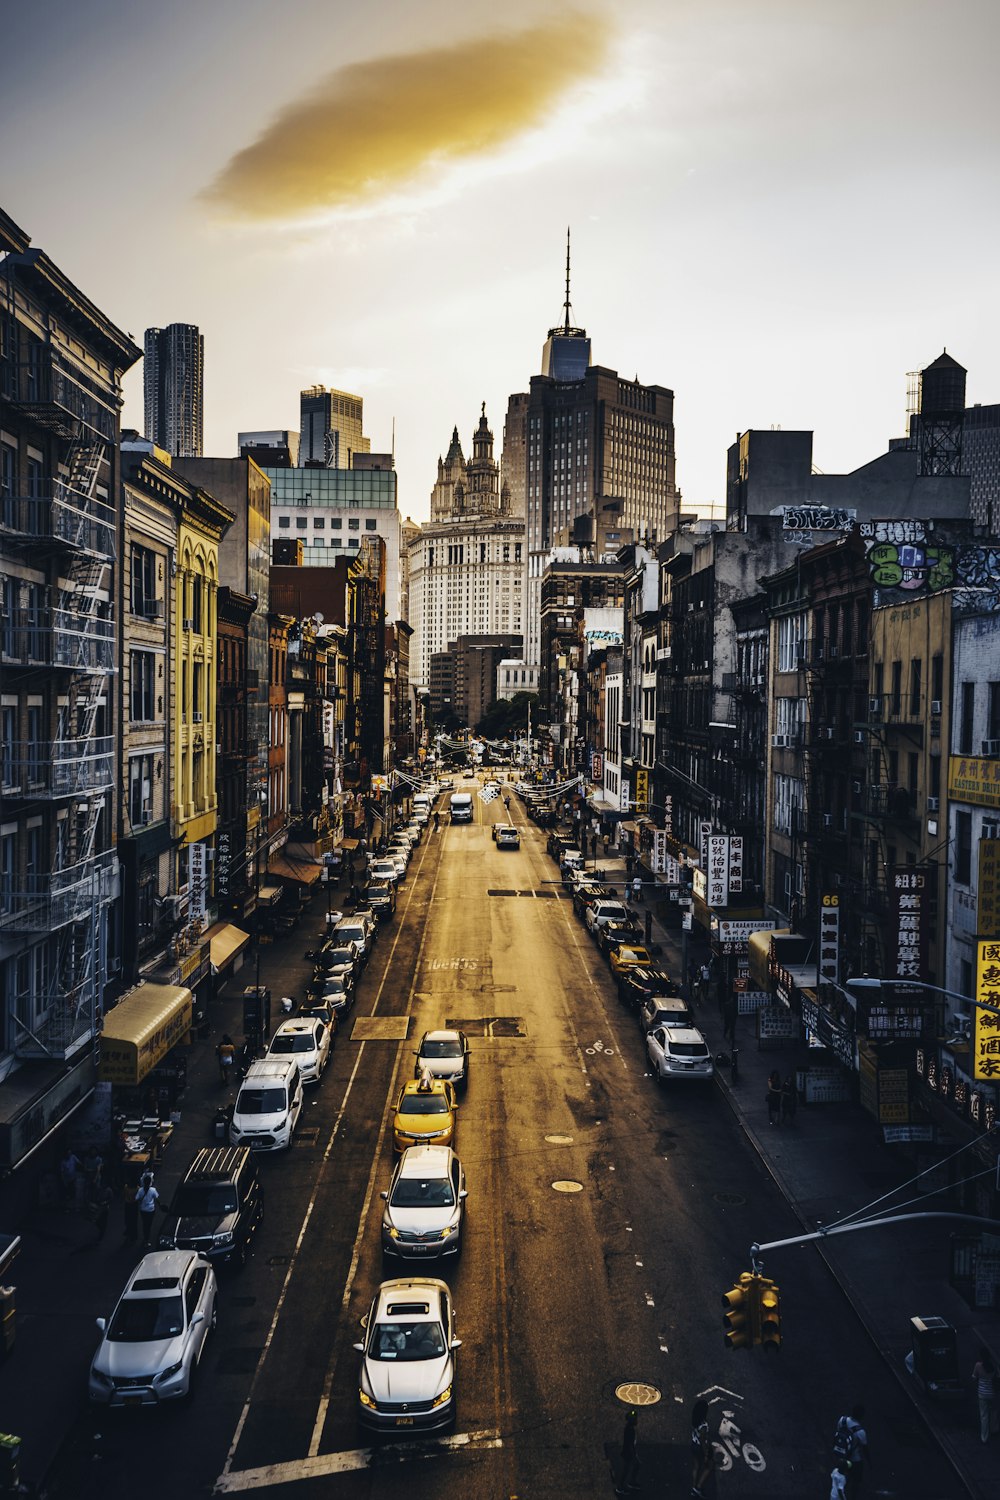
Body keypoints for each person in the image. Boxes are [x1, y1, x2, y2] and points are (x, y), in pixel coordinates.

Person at [837, 1404, 868, 1498]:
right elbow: (865, 1448)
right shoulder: (860, 1432)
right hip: (854, 1459)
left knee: (843, 1474)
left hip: (842, 1453)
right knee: (856, 1480)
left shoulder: (842, 1420)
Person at [973, 1347, 997, 1443]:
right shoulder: (993, 1366)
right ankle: (994, 1429)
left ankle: (984, 1437)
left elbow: (974, 1377)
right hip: (992, 1393)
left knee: (984, 1415)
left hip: (982, 1394)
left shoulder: (978, 1365)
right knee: (993, 1412)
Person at [690, 1398, 713, 1498]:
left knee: (696, 1466)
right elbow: (703, 1441)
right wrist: (706, 1455)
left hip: (693, 1445)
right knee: (709, 1467)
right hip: (700, 1447)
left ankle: (693, 1487)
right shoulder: (703, 1425)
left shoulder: (695, 1420)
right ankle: (698, 1488)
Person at [616, 1407, 640, 1495]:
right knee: (627, 1470)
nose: (637, 1421)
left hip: (629, 1452)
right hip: (628, 1453)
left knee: (633, 1467)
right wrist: (634, 1456)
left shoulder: (629, 1428)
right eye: (635, 1419)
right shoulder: (630, 1430)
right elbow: (630, 1444)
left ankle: (630, 1483)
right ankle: (620, 1487)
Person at [135, 1172, 159, 1248]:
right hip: (151, 1210)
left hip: (143, 1210)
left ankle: (145, 1238)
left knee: (144, 1224)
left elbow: (136, 1198)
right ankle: (146, 1239)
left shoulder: (140, 1190)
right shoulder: (153, 1190)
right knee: (149, 1224)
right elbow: (157, 1198)